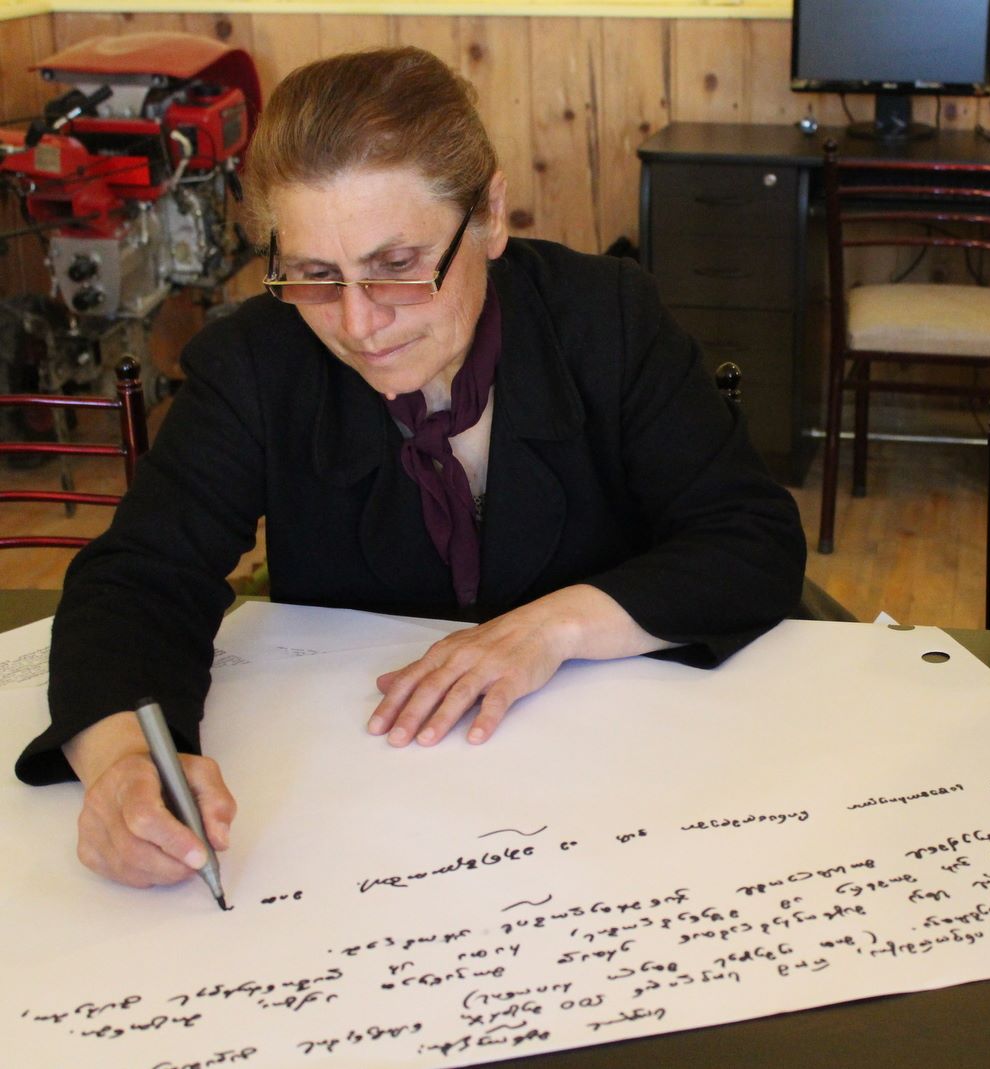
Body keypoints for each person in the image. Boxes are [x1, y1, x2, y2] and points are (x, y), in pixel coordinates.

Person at [14, 47, 806, 889]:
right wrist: (124, 763)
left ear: (489, 216)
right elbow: (139, 580)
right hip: (367, 821)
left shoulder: (606, 316)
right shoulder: (256, 362)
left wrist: (554, 628)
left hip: (618, 797)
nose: (359, 324)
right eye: (315, 275)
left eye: (396, 267)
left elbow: (748, 536)